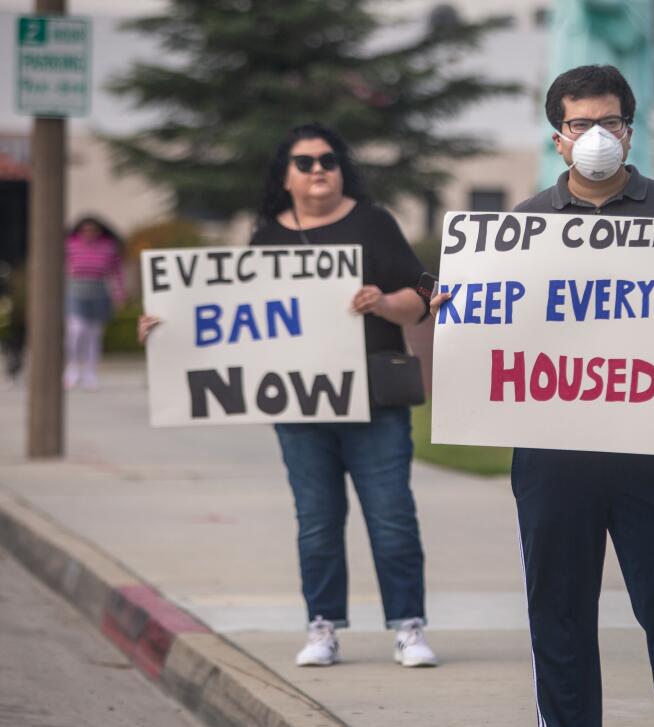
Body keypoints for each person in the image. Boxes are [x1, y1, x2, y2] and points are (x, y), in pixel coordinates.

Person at [436, 65, 654, 727]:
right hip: (552, 452)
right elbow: (496, 328)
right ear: (557, 137)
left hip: (650, 447)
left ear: (631, 130)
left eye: (609, 121)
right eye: (580, 124)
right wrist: (461, 311)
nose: (596, 136)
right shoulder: (522, 222)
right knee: (560, 609)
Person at [141, 123, 437, 669]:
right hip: (299, 406)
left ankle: (408, 626)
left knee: (392, 516)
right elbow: (235, 317)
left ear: (343, 167)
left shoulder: (373, 224)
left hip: (375, 402)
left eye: (329, 159)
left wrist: (380, 303)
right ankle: (322, 626)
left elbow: (421, 297)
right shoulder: (266, 235)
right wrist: (167, 328)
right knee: (317, 520)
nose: (318, 169)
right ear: (285, 176)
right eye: (304, 162)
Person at [64, 216, 125, 390]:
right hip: (76, 290)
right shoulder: (70, 244)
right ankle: (73, 367)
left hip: (98, 290)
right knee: (76, 330)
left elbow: (117, 271)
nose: (89, 233)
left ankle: (90, 372)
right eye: (85, 230)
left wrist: (119, 294)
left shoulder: (108, 247)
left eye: (93, 230)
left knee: (93, 335)